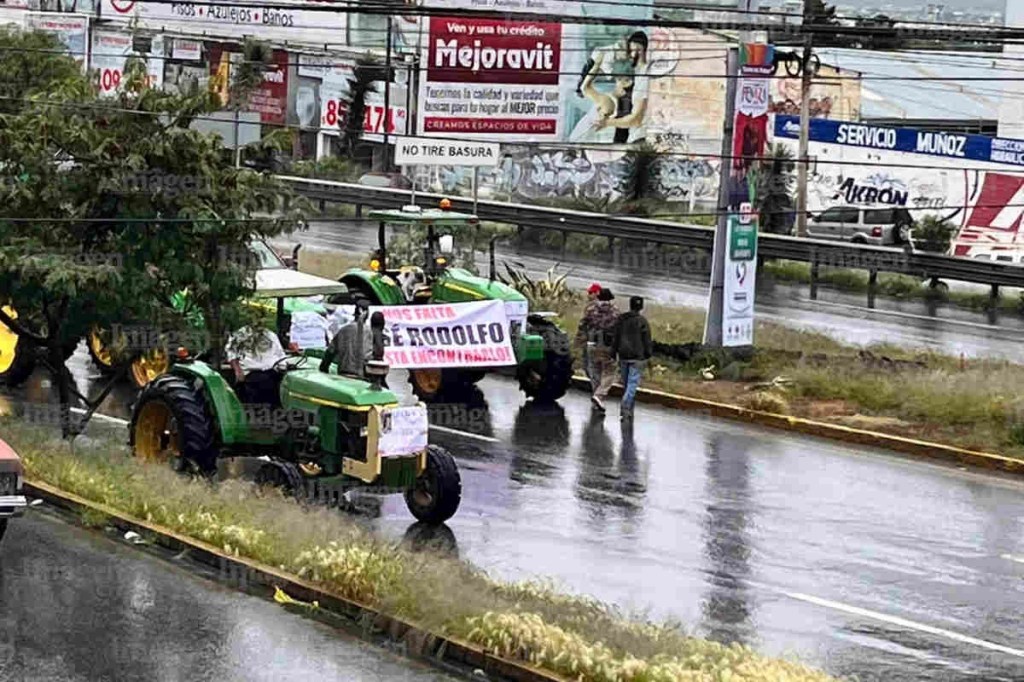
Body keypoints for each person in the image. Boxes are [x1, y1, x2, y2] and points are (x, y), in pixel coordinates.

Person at [578, 287, 619, 412]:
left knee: (594, 370)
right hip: (608, 345)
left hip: (592, 343)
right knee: (610, 372)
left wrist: (580, 341)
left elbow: (582, 325)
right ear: (610, 299)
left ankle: (596, 397)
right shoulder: (615, 311)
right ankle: (599, 395)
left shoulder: (590, 309)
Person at [611, 296, 653, 420]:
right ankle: (625, 406)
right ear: (641, 307)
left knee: (626, 383)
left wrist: (613, 352)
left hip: (623, 355)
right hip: (638, 357)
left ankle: (628, 407)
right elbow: (647, 340)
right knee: (632, 383)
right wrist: (648, 355)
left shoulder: (621, 319)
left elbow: (616, 337)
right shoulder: (642, 321)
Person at [226, 325, 287, 406]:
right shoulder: (239, 335)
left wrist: (284, 366)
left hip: (273, 372)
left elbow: (280, 354)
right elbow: (231, 354)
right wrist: (238, 370)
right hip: (253, 375)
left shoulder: (270, 335)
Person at [320, 299, 373, 377]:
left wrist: (324, 368)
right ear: (366, 314)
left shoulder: (343, 330)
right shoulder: (369, 332)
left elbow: (330, 352)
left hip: (343, 375)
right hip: (362, 376)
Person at [575, 283, 603, 390]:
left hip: (591, 340)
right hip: (597, 341)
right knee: (592, 366)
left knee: (589, 365)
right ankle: (597, 386)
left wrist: (578, 339)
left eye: (591, 293)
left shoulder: (593, 307)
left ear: (597, 293)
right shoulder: (603, 306)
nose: (588, 295)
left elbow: (583, 324)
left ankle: (596, 389)